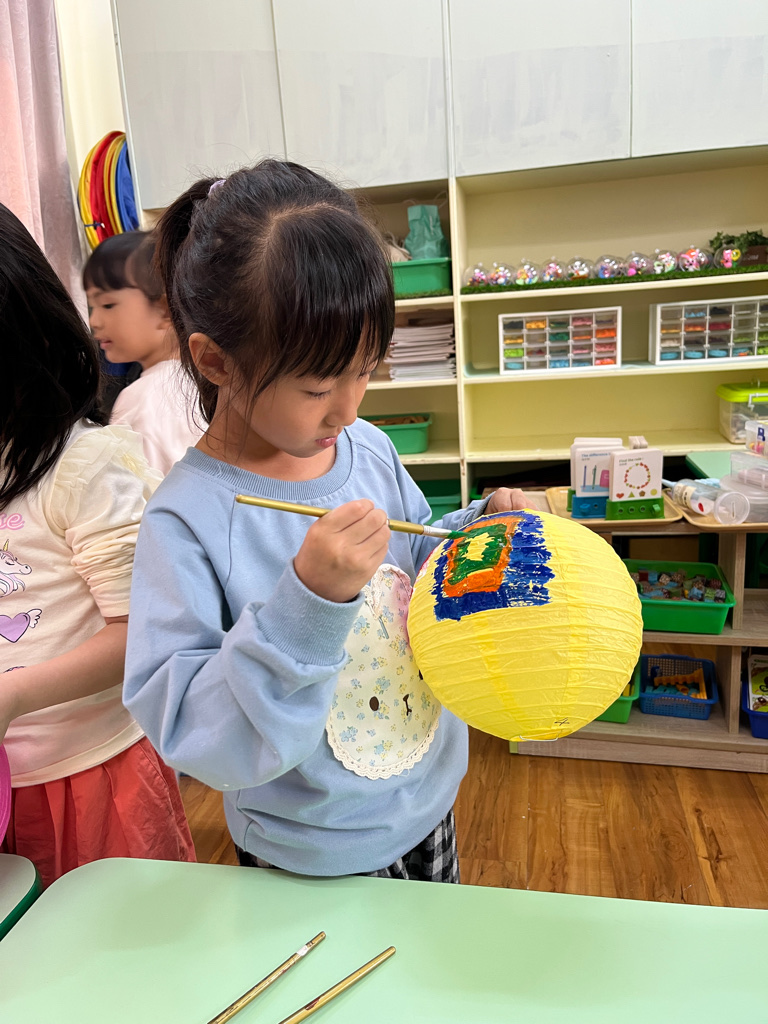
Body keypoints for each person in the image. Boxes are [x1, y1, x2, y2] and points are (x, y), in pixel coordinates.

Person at [123, 160, 524, 882]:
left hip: (425, 799)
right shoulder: (186, 520)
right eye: (316, 387)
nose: (348, 407)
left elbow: (415, 573)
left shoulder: (366, 448)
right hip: (306, 849)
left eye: (365, 369)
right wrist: (307, 603)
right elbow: (189, 729)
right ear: (215, 362)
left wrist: (474, 535)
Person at [0, 203, 196, 887]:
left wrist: (13, 696)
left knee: (120, 939)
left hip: (89, 774)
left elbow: (139, 629)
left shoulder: (83, 465)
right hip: (9, 783)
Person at [84, 231, 202, 475]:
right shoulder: (205, 383)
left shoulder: (141, 399)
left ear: (165, 310)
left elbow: (131, 490)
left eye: (107, 304)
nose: (94, 321)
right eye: (92, 306)